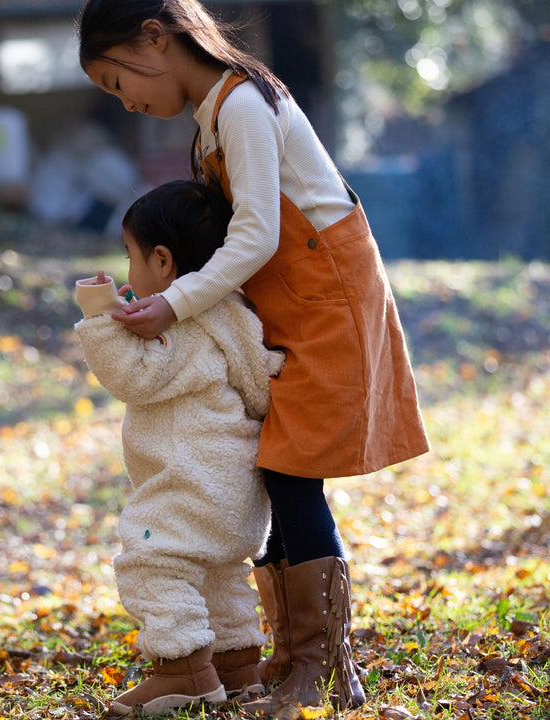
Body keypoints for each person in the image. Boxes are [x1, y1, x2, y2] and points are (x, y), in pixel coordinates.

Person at [78, 0, 430, 712]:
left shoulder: (240, 105)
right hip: (287, 306)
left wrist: (174, 304)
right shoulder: (213, 115)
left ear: (155, 37)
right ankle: (296, 656)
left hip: (324, 300)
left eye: (120, 83)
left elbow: (259, 234)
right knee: (271, 465)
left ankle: (321, 666)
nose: (131, 105)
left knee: (293, 471)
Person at [74, 180, 285, 716]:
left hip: (188, 483)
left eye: (131, 258)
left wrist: (101, 320)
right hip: (237, 493)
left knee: (152, 563)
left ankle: (184, 670)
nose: (128, 275)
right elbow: (261, 387)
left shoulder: (179, 326)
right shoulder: (235, 316)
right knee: (219, 572)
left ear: (163, 262)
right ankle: (237, 663)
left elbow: (133, 378)